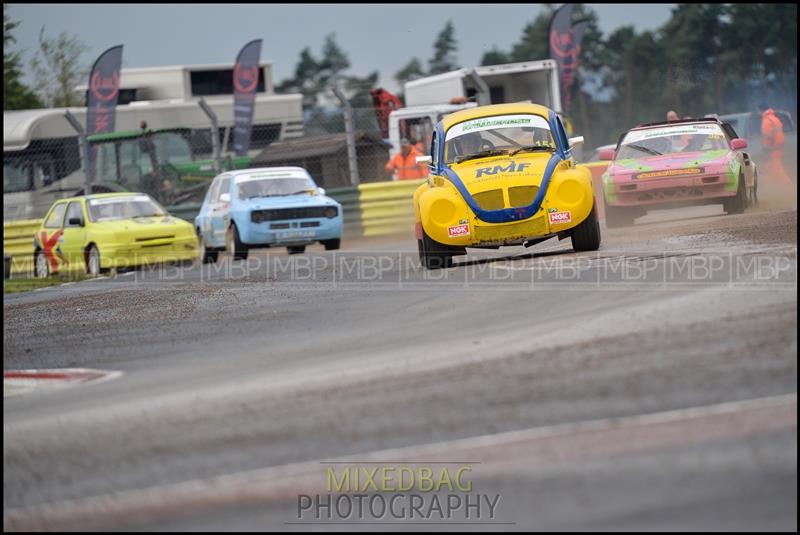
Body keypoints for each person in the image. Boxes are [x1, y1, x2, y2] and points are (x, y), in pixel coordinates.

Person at [758, 102, 790, 186]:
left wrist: (766, 148)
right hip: (778, 148)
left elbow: (768, 135)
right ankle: (769, 190)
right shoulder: (774, 118)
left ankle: (789, 188)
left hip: (772, 150)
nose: (758, 113)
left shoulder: (766, 120)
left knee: (777, 170)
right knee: (769, 171)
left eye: (758, 111)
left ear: (761, 110)